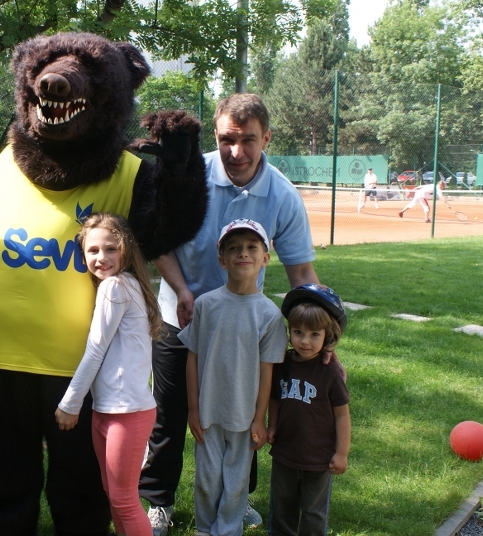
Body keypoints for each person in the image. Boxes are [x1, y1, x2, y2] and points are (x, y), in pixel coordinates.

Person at [140, 92, 321, 534]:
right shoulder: (188, 175)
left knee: (243, 414)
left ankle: (237, 500)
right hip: (181, 315)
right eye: (227, 140)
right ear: (216, 137)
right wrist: (182, 291)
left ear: (267, 139)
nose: (236, 152)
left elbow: (301, 272)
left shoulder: (282, 194)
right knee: (169, 413)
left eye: (248, 140)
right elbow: (157, 241)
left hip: (243, 324)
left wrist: (322, 332)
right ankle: (159, 500)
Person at [55, 212, 161, 535]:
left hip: (128, 412)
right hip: (107, 410)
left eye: (111, 249)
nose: (101, 257)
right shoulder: (121, 284)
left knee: (124, 499)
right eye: (93, 250)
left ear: (126, 249)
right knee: (113, 494)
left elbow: (95, 350)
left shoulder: (115, 287)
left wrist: (70, 403)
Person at [180, 219, 287, 536]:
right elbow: (192, 358)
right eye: (234, 248)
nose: (243, 253)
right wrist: (193, 409)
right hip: (208, 413)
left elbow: (267, 371)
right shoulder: (206, 305)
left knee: (236, 482)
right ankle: (205, 528)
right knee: (206, 479)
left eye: (252, 247)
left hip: (243, 416)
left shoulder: (269, 315)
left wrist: (259, 418)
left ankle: (227, 530)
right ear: (222, 259)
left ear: (265, 258)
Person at [267, 284, 351, 536]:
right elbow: (275, 398)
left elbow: (342, 414)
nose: (305, 341)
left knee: (314, 511)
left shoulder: (329, 372)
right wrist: (272, 425)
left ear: (328, 336)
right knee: (282, 503)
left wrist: (342, 453)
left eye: (315, 334)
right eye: (298, 332)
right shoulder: (282, 364)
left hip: (319, 457)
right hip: (285, 451)